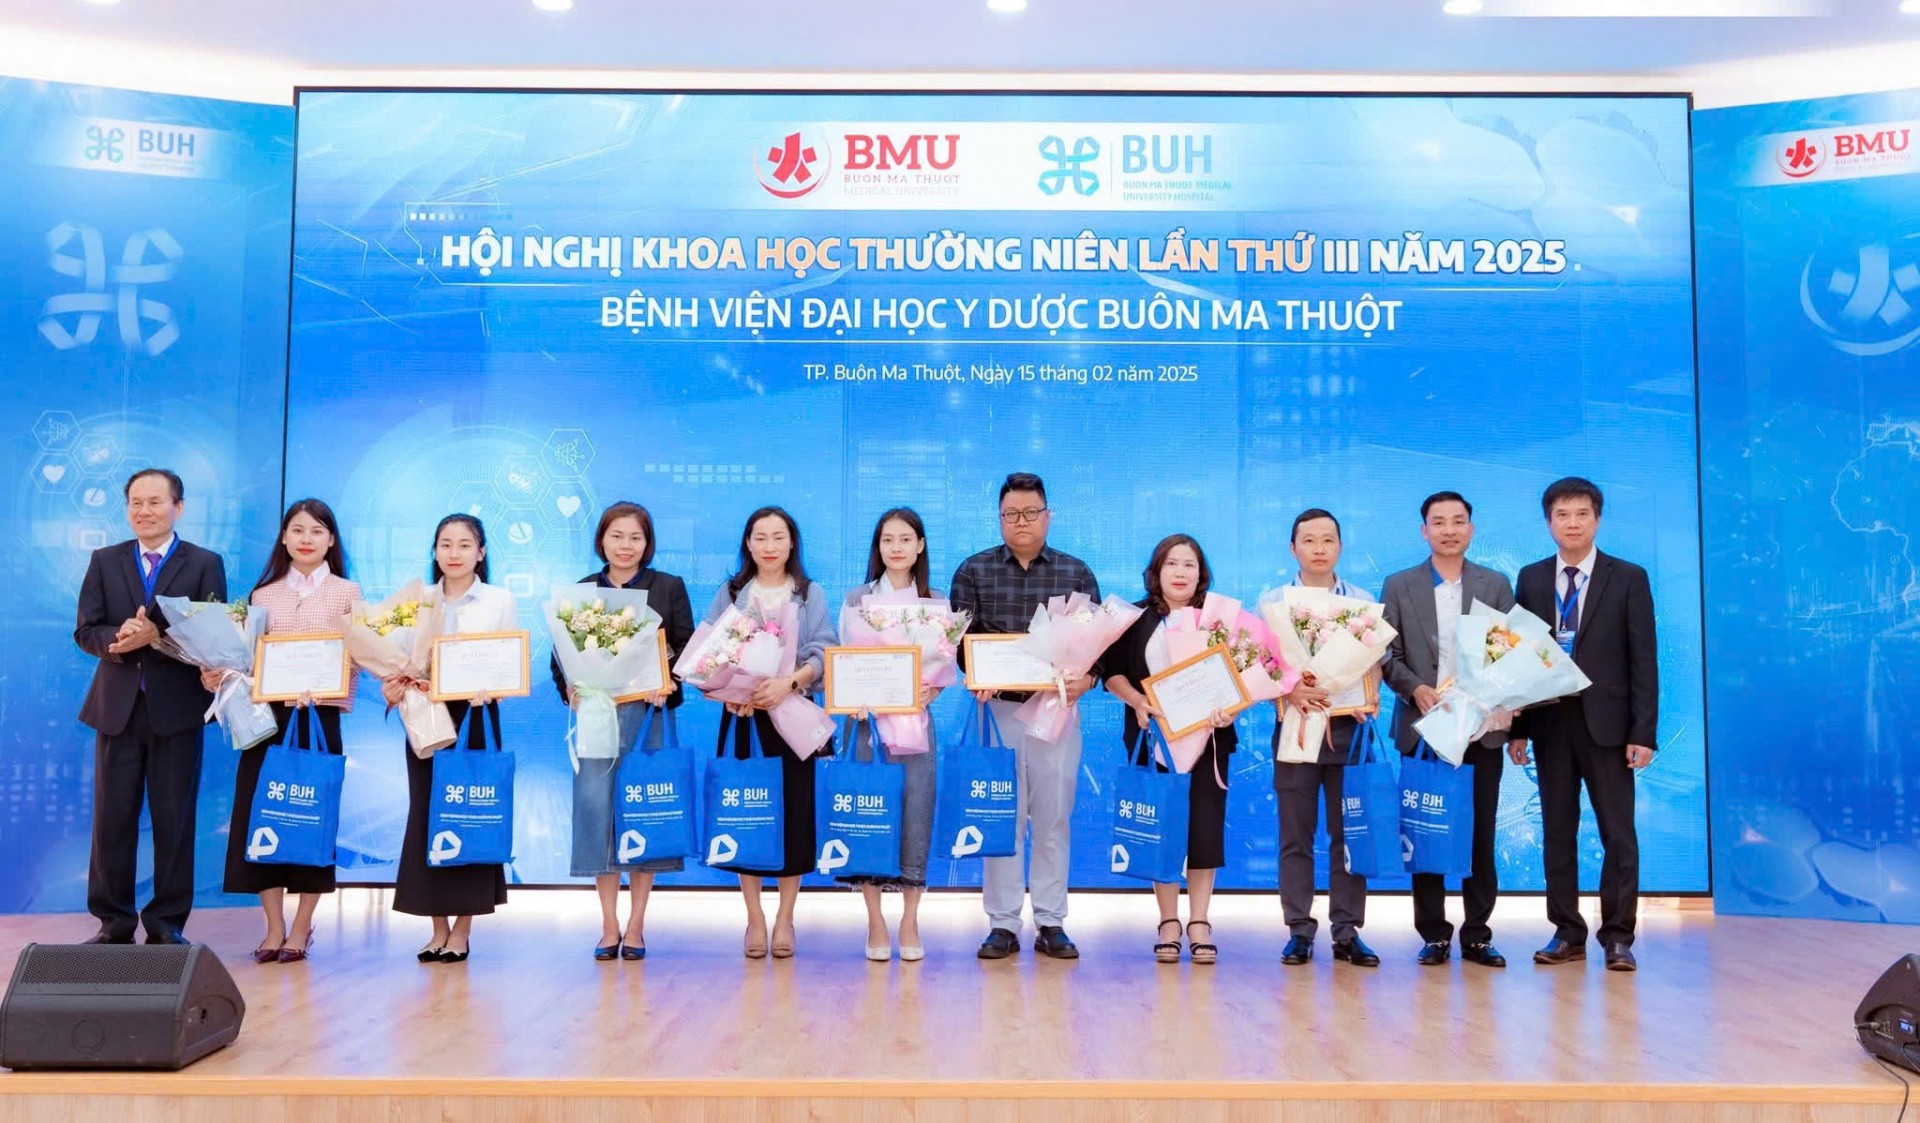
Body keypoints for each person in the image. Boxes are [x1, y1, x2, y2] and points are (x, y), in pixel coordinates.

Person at [1509, 477, 1658, 972]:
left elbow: (1644, 660)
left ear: (1597, 519)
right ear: (1548, 522)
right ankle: (1567, 932)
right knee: (1557, 831)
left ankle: (1618, 936)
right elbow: (1518, 659)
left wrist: (1643, 732)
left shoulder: (1628, 577)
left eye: (1582, 514)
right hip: (1551, 721)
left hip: (1610, 727)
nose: (1572, 523)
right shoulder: (1531, 578)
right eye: (1562, 515)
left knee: (1619, 834)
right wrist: (1517, 729)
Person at [950, 471, 1101, 961]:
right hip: (998, 711)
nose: (1021, 521)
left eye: (1031, 512)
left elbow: (1097, 646)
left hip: (1056, 710)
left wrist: (1088, 678)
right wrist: (975, 673)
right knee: (1002, 818)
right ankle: (1002, 923)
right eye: (1011, 514)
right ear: (999, 518)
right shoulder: (973, 571)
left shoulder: (1076, 573)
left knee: (1054, 818)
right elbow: (959, 644)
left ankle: (1052, 921)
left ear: (1047, 516)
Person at [74, 468, 227, 945]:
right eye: (136, 503)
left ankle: (166, 924)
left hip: (178, 711)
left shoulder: (204, 563)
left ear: (178, 507)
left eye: (155, 502)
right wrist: (118, 637)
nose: (145, 511)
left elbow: (213, 638)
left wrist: (156, 636)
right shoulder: (105, 560)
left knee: (174, 820)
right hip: (116, 710)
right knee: (112, 820)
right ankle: (113, 923)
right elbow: (85, 631)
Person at [550, 501, 695, 962]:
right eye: (616, 536)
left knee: (644, 809)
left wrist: (666, 681)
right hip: (597, 716)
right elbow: (560, 657)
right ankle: (609, 923)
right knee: (598, 812)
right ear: (602, 540)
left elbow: (686, 647)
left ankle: (636, 924)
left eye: (635, 537)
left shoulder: (668, 586)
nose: (625, 545)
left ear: (647, 543)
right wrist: (570, 689)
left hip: (648, 715)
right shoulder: (582, 591)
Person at [220, 499, 361, 964]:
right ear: (284, 538)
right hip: (269, 720)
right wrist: (225, 673)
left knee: (311, 819)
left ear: (331, 540)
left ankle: (301, 926)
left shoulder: (347, 593)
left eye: (317, 531)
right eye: (297, 530)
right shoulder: (263, 596)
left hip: (319, 718)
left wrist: (324, 689)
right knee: (263, 816)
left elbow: (358, 659)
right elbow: (248, 659)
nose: (306, 539)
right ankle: (273, 926)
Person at [1379, 491, 1516, 969]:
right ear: (1424, 531)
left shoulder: (1495, 584)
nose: (1449, 530)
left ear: (1471, 529)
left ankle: (1477, 934)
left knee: (1480, 833)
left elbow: (1511, 651)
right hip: (1425, 729)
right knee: (1426, 832)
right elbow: (1386, 655)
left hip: (1481, 730)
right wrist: (1415, 689)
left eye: (1458, 521)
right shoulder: (1399, 585)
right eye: (1439, 522)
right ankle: (1433, 934)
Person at [700, 506, 835, 960]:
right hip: (742, 716)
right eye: (760, 537)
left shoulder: (809, 593)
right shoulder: (731, 592)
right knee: (746, 813)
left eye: (778, 537)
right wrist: (728, 692)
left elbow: (824, 649)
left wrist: (789, 683)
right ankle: (755, 917)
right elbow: (710, 652)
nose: (770, 546)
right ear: (748, 543)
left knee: (793, 815)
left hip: (792, 714)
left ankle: (785, 918)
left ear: (792, 542)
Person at [1096, 534, 1237, 964]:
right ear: (1156, 571)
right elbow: (1112, 673)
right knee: (1161, 829)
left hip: (1209, 741)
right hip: (1154, 739)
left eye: (1189, 564)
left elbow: (1241, 675)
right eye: (1171, 563)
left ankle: (1200, 921)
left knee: (1205, 831)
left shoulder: (1218, 620)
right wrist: (1137, 701)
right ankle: (1169, 921)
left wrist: (1230, 708)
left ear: (1201, 573)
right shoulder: (1135, 618)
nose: (1180, 572)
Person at [385, 514, 517, 964]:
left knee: (471, 814)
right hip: (427, 715)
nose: (454, 553)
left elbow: (509, 662)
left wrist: (492, 687)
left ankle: (462, 930)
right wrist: (396, 683)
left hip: (476, 715)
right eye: (445, 544)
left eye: (464, 544)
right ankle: (436, 928)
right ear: (435, 551)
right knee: (427, 815)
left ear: (481, 552)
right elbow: (397, 660)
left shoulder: (499, 600)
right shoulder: (417, 601)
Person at [1273, 508, 1379, 968]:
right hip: (1295, 728)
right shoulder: (1273, 603)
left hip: (1349, 731)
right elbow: (1263, 667)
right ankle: (1299, 928)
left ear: (1340, 546)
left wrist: (1369, 697)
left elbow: (1375, 663)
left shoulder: (1362, 602)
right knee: (1295, 834)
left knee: (1349, 833)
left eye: (1328, 540)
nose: (1319, 549)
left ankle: (1347, 930)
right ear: (1293, 548)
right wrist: (1288, 689)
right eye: (1309, 540)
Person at [839, 508, 942, 963]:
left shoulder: (934, 602)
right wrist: (853, 694)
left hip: (915, 722)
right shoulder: (857, 599)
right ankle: (875, 920)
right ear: (877, 547)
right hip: (866, 723)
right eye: (887, 540)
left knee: (916, 811)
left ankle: (910, 919)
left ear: (920, 546)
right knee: (870, 813)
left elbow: (942, 665)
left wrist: (930, 691)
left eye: (904, 539)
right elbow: (842, 657)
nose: (895, 548)